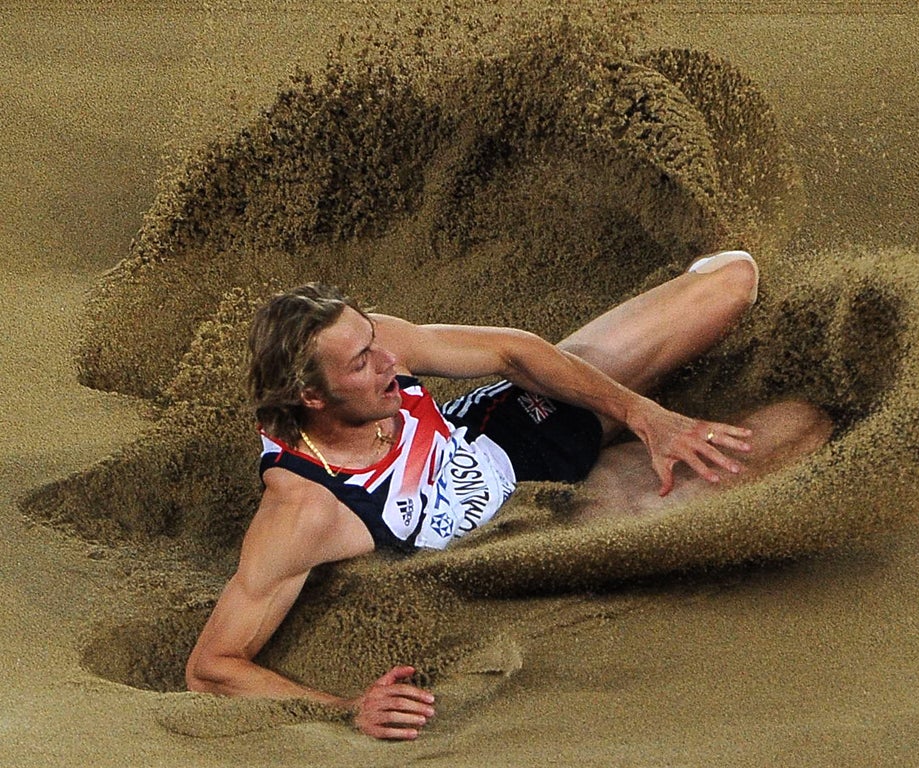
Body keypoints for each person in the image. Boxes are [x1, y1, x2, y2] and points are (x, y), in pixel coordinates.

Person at [185, 250, 832, 739]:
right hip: (540, 517)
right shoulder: (303, 510)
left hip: (507, 428)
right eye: (361, 363)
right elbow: (212, 667)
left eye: (374, 342)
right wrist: (347, 710)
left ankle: (665, 404)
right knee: (802, 428)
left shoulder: (376, 345)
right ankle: (671, 444)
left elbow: (512, 353)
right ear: (312, 397)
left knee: (732, 280)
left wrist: (645, 416)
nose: (388, 363)